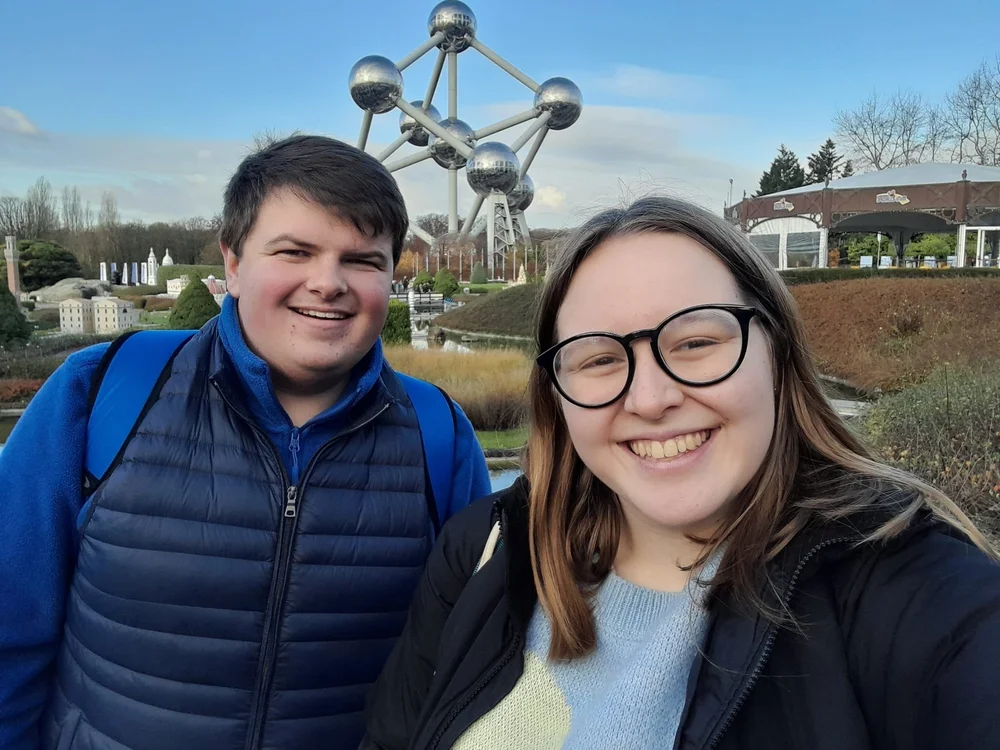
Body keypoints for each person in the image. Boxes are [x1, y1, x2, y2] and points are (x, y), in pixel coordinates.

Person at [364, 196, 1000, 749]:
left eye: (696, 344)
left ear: (776, 352)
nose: (649, 399)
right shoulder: (487, 553)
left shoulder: (907, 590)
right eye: (598, 359)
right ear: (556, 394)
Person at [0, 134, 491, 750]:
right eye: (294, 251)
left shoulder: (440, 435)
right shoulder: (101, 391)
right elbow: (10, 629)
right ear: (233, 265)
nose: (328, 282)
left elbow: (466, 665)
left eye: (363, 260)